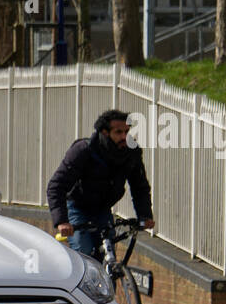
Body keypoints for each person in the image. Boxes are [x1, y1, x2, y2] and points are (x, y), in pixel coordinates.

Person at [47, 109, 155, 258]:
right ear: (104, 132)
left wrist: (145, 215)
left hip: (103, 210)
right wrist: (62, 221)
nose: (124, 137)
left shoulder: (131, 152)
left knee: (108, 256)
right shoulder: (84, 151)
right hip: (78, 208)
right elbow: (56, 186)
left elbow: (139, 186)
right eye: (118, 132)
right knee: (84, 255)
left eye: (127, 132)